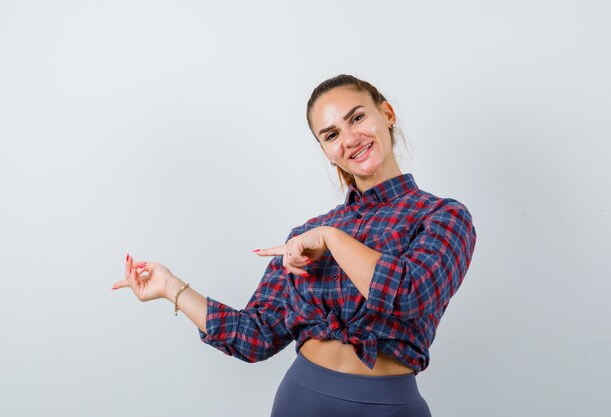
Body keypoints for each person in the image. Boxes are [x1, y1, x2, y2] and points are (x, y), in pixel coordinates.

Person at [112, 74, 477, 416]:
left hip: (388, 406)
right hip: (300, 399)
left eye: (357, 118)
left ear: (387, 113)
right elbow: (255, 335)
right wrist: (172, 288)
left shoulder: (443, 217)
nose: (349, 139)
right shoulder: (307, 233)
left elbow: (408, 295)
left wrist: (333, 239)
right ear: (325, 149)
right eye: (331, 135)